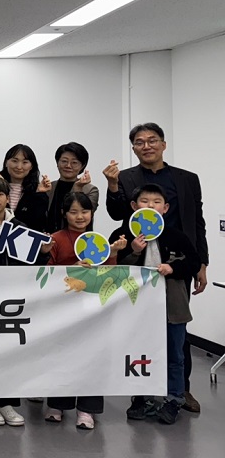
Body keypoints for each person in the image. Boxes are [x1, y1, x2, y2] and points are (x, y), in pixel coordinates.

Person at [103, 122, 209, 413]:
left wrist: (202, 262)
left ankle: (181, 390)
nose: (146, 146)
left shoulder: (187, 179)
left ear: (163, 144)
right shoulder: (125, 177)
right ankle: (142, 392)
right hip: (139, 264)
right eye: (139, 142)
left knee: (177, 329)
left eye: (152, 140)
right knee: (139, 331)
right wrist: (112, 186)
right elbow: (116, 213)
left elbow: (197, 222)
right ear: (133, 148)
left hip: (176, 263)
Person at [113, 184, 202, 425]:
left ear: (165, 208)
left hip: (173, 307)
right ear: (134, 206)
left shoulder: (176, 236)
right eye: (144, 201)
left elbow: (194, 262)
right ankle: (142, 397)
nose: (150, 206)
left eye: (156, 202)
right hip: (137, 309)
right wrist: (133, 252)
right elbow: (112, 268)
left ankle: (174, 398)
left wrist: (173, 268)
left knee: (175, 355)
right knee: (140, 353)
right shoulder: (123, 235)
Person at [0, 175, 52, 427]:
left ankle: (8, 402)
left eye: (0, 194)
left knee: (10, 350)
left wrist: (43, 254)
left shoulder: (19, 226)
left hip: (13, 299)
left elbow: (29, 262)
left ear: (8, 198)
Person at [43, 191, 126, 429]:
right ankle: (57, 404)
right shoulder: (56, 239)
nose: (80, 217)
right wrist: (71, 267)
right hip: (62, 308)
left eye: (85, 211)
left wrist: (113, 254)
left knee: (92, 356)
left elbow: (110, 275)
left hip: (92, 308)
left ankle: (87, 409)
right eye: (74, 212)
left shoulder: (99, 240)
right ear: (64, 214)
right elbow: (46, 273)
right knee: (61, 355)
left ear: (92, 213)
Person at [45, 143, 98, 232]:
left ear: (82, 166)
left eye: (74, 162)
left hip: (77, 238)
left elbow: (85, 216)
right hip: (48, 236)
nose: (68, 166)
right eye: (64, 161)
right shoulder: (48, 187)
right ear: (57, 163)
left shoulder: (90, 190)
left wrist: (78, 188)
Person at [0, 144, 50, 232]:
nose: (19, 167)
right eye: (14, 161)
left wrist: (39, 194)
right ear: (6, 163)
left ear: (31, 166)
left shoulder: (37, 190)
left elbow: (38, 224)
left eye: (25, 162)